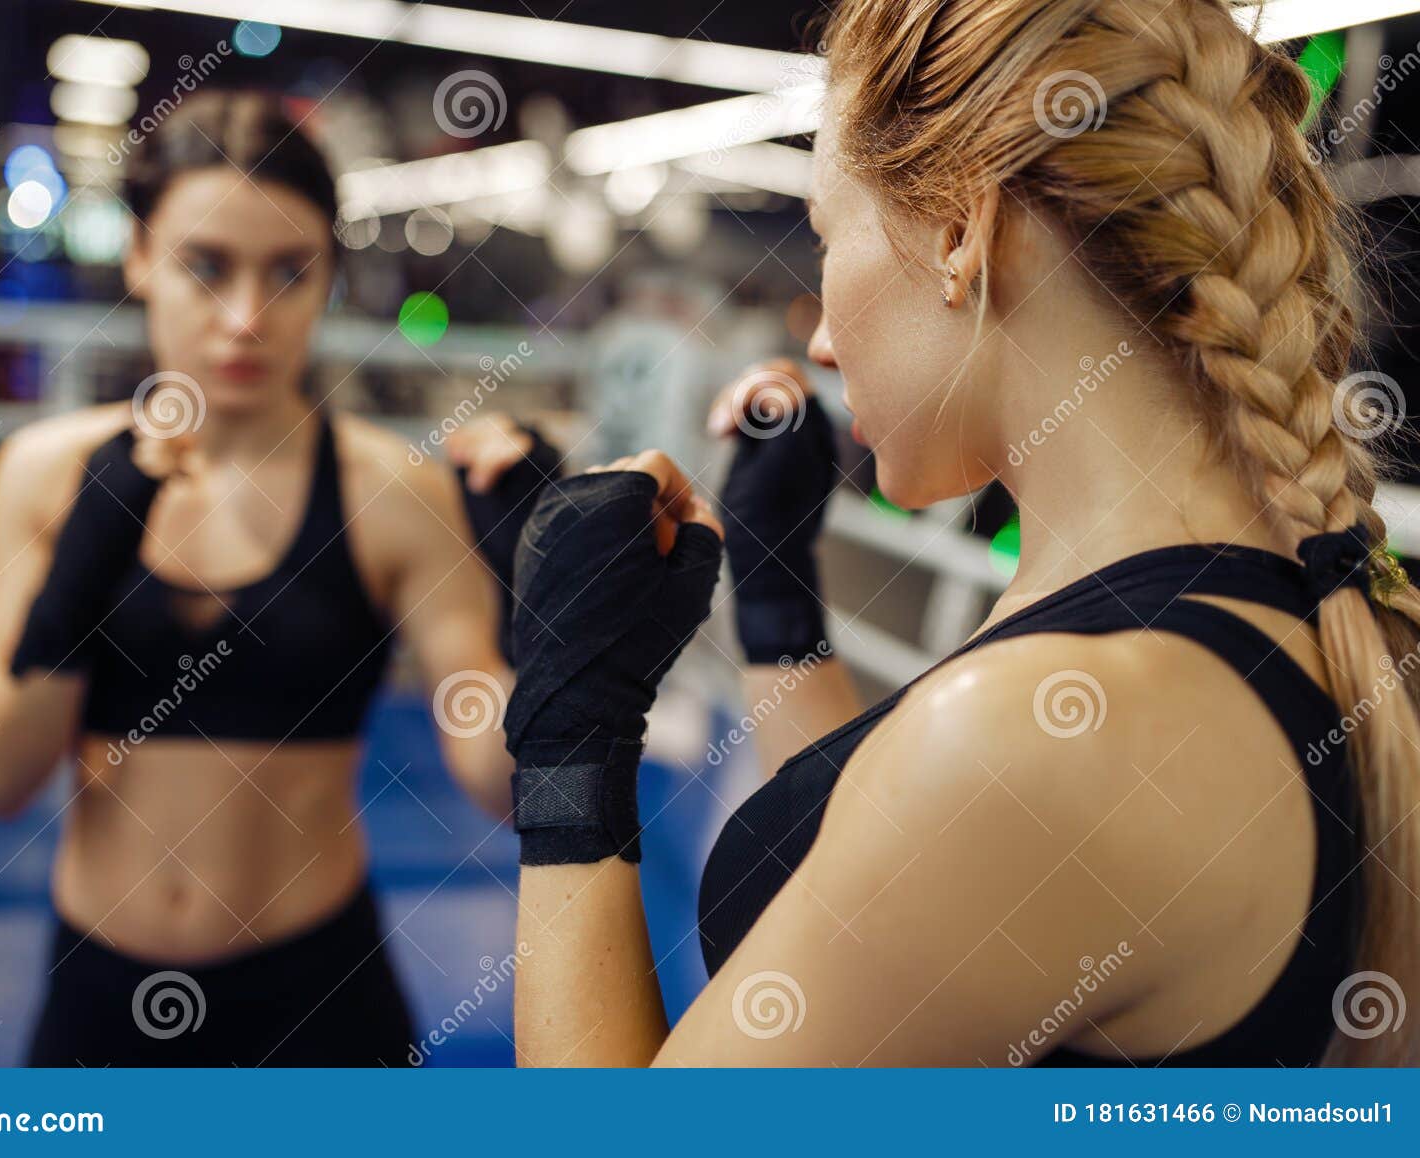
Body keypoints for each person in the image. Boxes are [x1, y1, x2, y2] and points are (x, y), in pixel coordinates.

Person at [501, 0, 1420, 1066]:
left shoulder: (1049, 733)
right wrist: (770, 589)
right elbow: (881, 870)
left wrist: (569, 742)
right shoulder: (1210, 627)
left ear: (956, 232)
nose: (825, 340)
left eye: (826, 243)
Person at [0, 92, 557, 1066]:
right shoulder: (47, 476)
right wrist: (81, 565)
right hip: (100, 997)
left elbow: (505, 784)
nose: (245, 318)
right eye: (206, 266)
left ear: (328, 282)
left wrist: (542, 602)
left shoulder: (390, 492)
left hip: (318, 998)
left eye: (288, 273)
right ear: (140, 256)